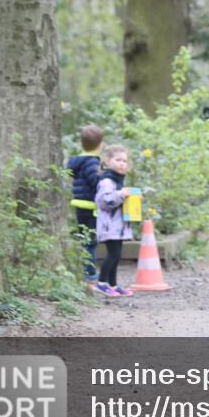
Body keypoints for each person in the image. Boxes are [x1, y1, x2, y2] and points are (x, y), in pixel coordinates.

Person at [94, 144, 135, 297]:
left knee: (116, 255)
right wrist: (121, 194)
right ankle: (101, 283)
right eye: (118, 160)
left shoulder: (118, 181)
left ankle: (113, 284)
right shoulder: (107, 181)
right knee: (113, 255)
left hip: (117, 226)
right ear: (107, 161)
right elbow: (105, 201)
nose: (122, 164)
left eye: (124, 161)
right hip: (109, 226)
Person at [67, 125, 104, 291]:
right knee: (91, 243)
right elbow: (96, 182)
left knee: (85, 241)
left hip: (80, 205)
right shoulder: (92, 162)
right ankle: (90, 277)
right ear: (100, 145)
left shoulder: (77, 162)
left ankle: (85, 272)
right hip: (90, 207)